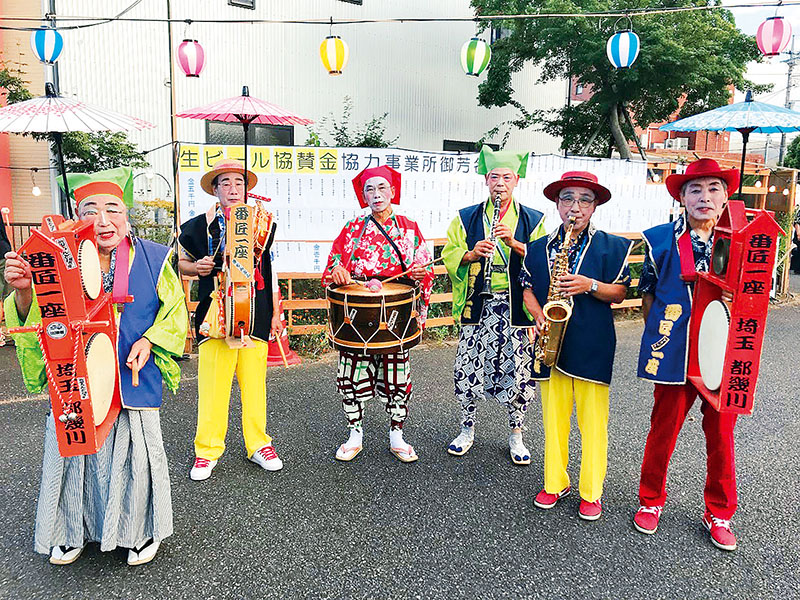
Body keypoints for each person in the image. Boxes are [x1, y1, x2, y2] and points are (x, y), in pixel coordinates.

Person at [3, 166, 188, 566]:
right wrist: (22, 292)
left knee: (137, 458)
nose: (102, 221)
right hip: (77, 379)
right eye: (89, 210)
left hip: (130, 380)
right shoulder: (55, 260)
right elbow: (39, 320)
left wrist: (149, 340)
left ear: (127, 215)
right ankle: (70, 531)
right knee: (73, 456)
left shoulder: (156, 259)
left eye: (112, 209)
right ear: (76, 215)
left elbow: (174, 314)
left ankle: (138, 532)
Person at [633, 158, 741, 551]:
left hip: (722, 355)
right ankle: (650, 499)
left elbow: (754, 301)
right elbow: (647, 295)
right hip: (674, 350)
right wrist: (662, 340)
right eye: (695, 189)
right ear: (681, 197)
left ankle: (719, 511)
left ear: (726, 196)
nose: (705, 197)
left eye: (714, 188)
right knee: (663, 430)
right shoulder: (659, 239)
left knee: (722, 435)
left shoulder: (739, 241)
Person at [520, 172, 631, 520]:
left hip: (594, 343)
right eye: (568, 198)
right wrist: (538, 314)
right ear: (557, 203)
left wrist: (590, 284)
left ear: (595, 205)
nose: (575, 207)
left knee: (593, 423)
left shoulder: (614, 246)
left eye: (585, 199)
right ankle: (555, 482)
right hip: (550, 343)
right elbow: (526, 288)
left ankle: (591, 491)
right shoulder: (538, 248)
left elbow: (622, 292)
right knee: (553, 420)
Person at [178, 158, 283, 481]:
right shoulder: (198, 227)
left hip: (256, 312)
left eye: (239, 183)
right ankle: (206, 450)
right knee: (212, 386)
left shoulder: (261, 223)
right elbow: (181, 263)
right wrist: (198, 268)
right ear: (215, 189)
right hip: (215, 313)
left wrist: (277, 312)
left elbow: (271, 269)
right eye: (225, 183)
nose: (233, 189)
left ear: (247, 189)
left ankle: (258, 444)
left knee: (254, 384)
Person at [442, 146, 546, 464]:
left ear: (516, 181)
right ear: (486, 181)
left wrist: (515, 243)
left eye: (506, 177)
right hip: (478, 303)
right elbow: (449, 251)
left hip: (515, 308)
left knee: (519, 373)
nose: (500, 183)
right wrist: (471, 254)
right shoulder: (467, 216)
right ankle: (467, 429)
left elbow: (543, 259)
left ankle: (516, 434)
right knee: (469, 369)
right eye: (494, 177)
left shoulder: (532, 219)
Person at [322, 165, 434, 463]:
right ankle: (354, 433)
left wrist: (422, 272)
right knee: (350, 376)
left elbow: (425, 266)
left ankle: (397, 434)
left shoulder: (408, 227)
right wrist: (337, 270)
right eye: (369, 189)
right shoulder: (353, 229)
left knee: (398, 377)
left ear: (393, 192)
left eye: (382, 188)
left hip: (394, 312)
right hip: (358, 312)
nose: (376, 194)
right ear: (363, 195)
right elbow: (333, 262)